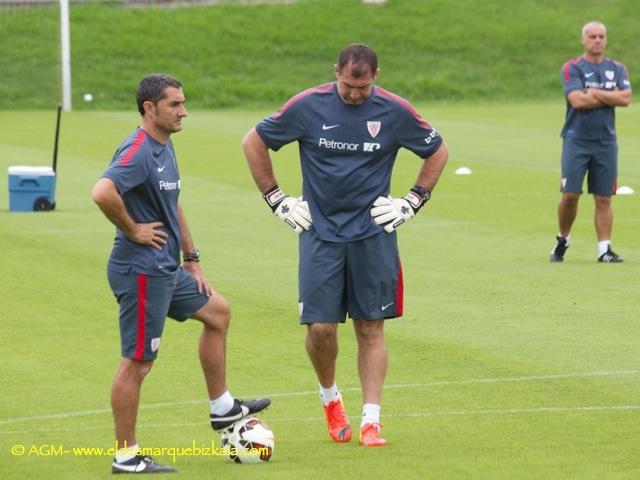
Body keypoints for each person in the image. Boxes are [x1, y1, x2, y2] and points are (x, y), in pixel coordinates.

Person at [242, 44, 448, 447]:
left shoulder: (394, 111)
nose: (355, 94)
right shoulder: (307, 106)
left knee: (371, 326)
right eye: (348, 85)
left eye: (363, 87)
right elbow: (253, 141)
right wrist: (277, 199)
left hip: (373, 231)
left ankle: (372, 420)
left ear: (376, 77)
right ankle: (330, 397)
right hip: (319, 231)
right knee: (321, 328)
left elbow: (437, 150)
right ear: (335, 71)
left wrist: (412, 200)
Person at [92, 74, 270, 474]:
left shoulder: (164, 146)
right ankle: (126, 456)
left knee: (218, 312)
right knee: (138, 362)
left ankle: (222, 407)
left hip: (166, 268)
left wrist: (192, 257)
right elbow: (102, 192)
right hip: (140, 271)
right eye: (174, 104)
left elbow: (172, 203)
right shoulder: (138, 150)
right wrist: (133, 229)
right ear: (149, 109)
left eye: (183, 103)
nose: (183, 111)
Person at [550, 21, 632, 263]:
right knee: (570, 194)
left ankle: (604, 249)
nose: (597, 40)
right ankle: (563, 239)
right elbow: (577, 101)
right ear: (583, 40)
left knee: (604, 197)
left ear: (606, 40)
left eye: (601, 36)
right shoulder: (572, 67)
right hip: (576, 140)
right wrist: (610, 96)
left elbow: (625, 98)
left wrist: (594, 93)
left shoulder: (617, 68)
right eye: (592, 36)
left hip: (606, 141)